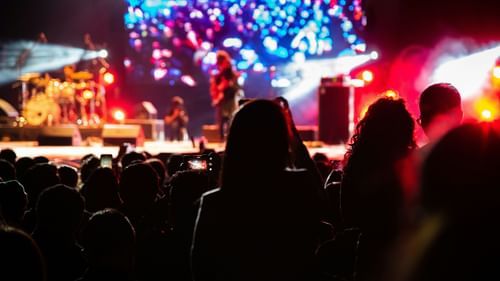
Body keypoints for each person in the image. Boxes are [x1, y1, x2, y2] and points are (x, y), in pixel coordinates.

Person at [191, 100, 324, 281]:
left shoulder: (214, 202)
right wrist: (292, 133)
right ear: (281, 139)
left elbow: (201, 269)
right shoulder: (299, 186)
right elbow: (321, 202)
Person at [209, 50, 243, 140]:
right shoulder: (219, 74)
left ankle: (230, 138)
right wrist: (217, 93)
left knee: (230, 118)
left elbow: (233, 85)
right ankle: (221, 139)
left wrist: (226, 86)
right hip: (222, 99)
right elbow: (215, 87)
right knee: (221, 119)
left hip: (230, 97)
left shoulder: (230, 72)